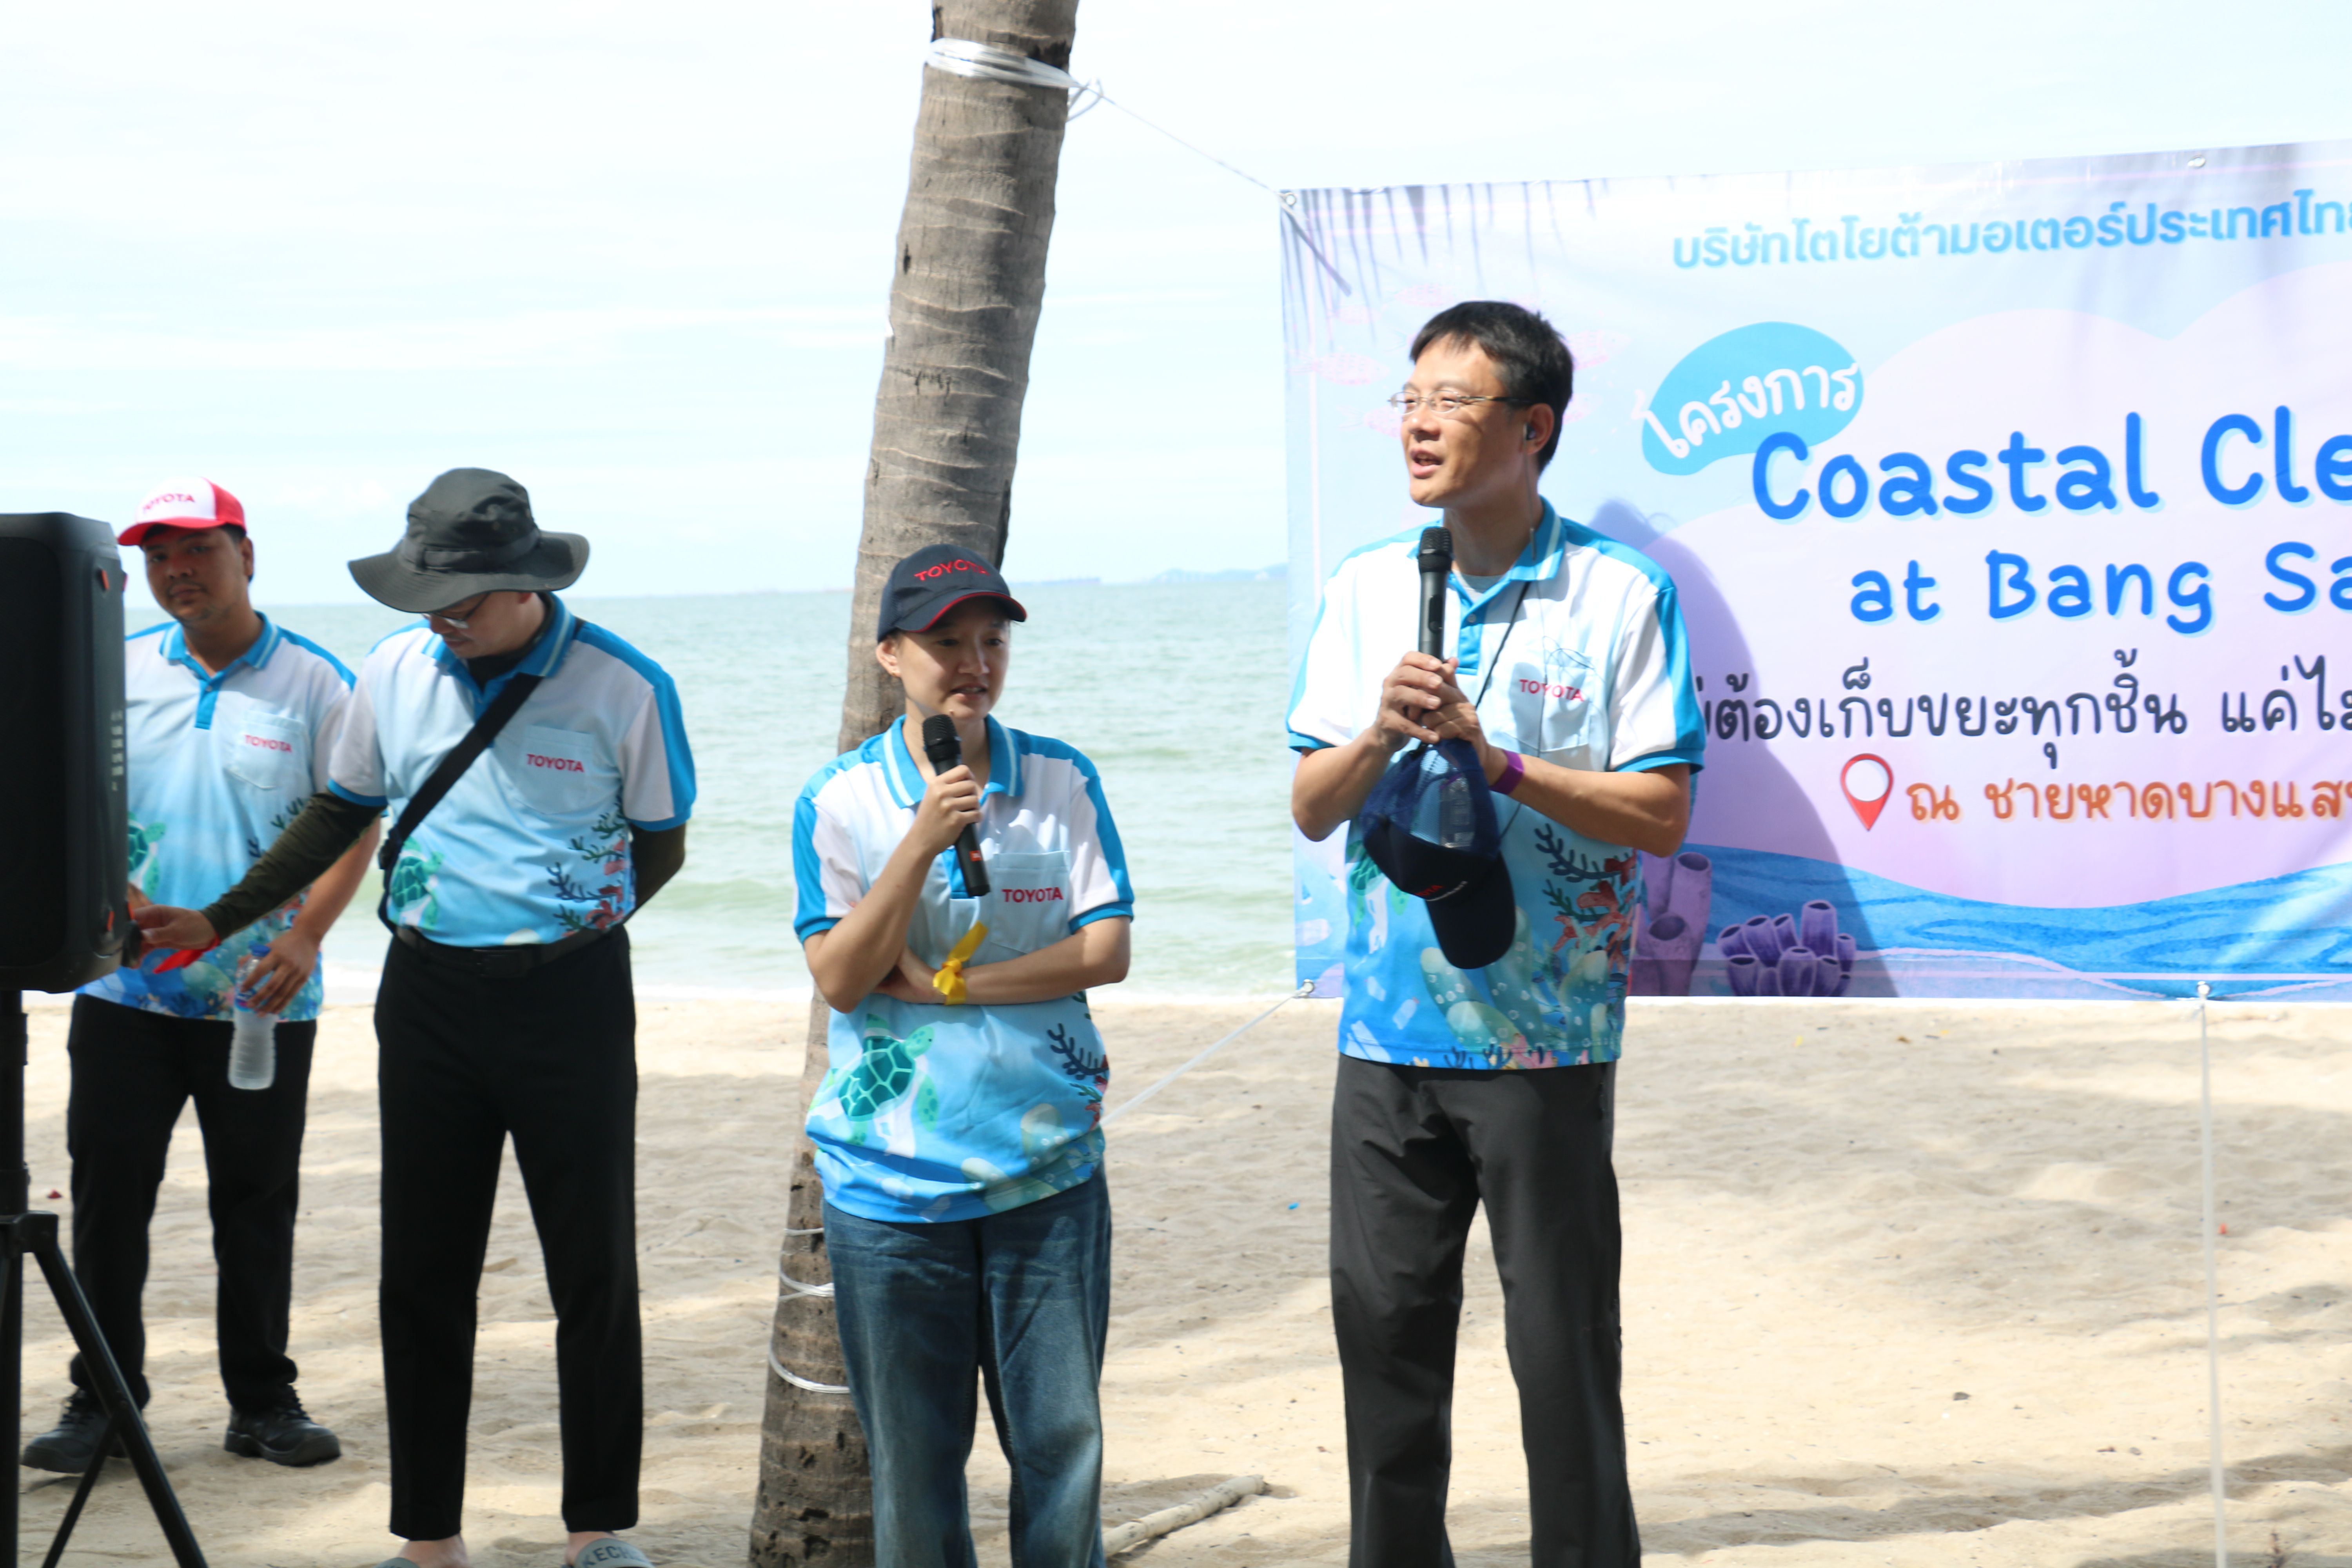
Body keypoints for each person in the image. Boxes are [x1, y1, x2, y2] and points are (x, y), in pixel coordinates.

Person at [134, 468, 693, 1568]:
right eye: (427, 599)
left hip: (571, 999)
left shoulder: (624, 685)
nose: (443, 620)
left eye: (463, 602)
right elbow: (338, 810)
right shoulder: (395, 668)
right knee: (423, 1272)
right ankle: (429, 1538)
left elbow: (659, 843)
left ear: (528, 585)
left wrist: (563, 927)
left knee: (592, 1267)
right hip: (429, 998)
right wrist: (220, 916)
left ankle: (597, 1529)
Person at [1287, 301, 1705, 1568]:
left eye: (1452, 402)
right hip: (1385, 1044)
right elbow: (1313, 807)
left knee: (1562, 1359)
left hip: (1546, 1047)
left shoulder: (1620, 593)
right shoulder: (1367, 587)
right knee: (1386, 1358)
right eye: (1410, 399)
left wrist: (1501, 762)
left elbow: (1662, 813)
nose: (1419, 425)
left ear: (1533, 429)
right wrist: (1379, 733)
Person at [22, 478, 376, 1476]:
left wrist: (307, 937)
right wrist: (110, 886)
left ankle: (261, 1401)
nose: (178, 571)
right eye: (159, 556)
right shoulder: (119, 667)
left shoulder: (319, 684)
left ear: (246, 555)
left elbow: (353, 822)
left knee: (255, 1202)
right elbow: (77, 792)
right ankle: (104, 1401)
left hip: (262, 996)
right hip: (126, 990)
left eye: (199, 550)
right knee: (110, 1201)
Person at [794, 544, 1133, 1568]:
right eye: (947, 642)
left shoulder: (1060, 778)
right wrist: (918, 844)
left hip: (1048, 1173)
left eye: (992, 641)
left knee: (1063, 1448)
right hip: (891, 1191)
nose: (975, 664)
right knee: (915, 1467)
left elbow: (1106, 950)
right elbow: (843, 976)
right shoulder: (841, 799)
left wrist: (951, 986)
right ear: (891, 654)